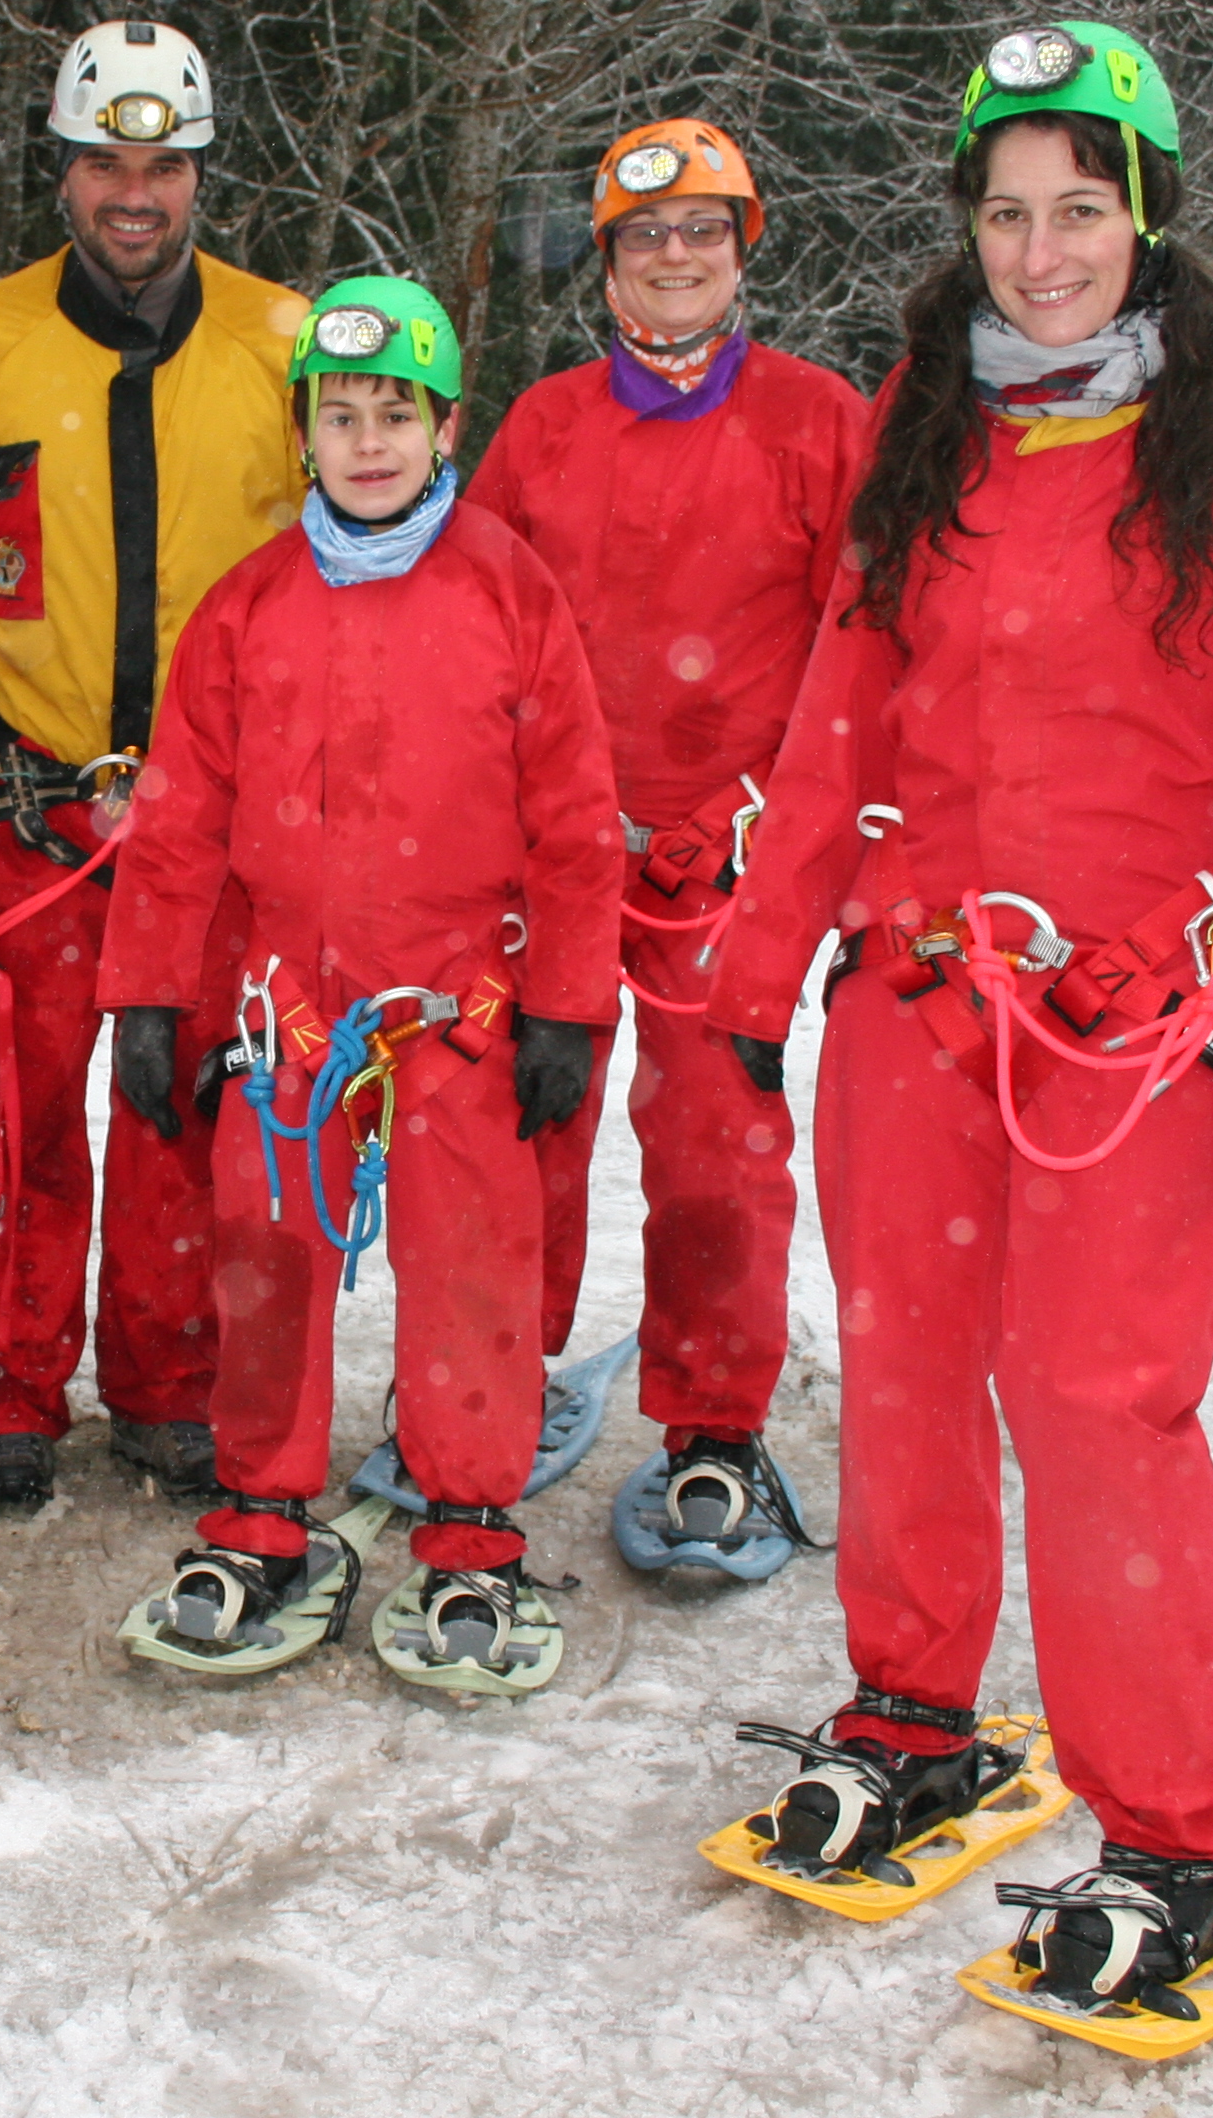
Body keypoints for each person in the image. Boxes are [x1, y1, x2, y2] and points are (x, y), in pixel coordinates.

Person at [702, 23, 1213, 2025]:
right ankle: (917, 1708)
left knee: (1094, 1401)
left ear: (1146, 211)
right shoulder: (935, 426)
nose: (1042, 249)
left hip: (1139, 1025)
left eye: (1081, 208)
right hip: (924, 994)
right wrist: (761, 964)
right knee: (908, 1358)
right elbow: (838, 714)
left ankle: (1185, 1830)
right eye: (1007, 213)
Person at [100, 276, 628, 1692]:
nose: (371, 441)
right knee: (263, 1256)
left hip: (464, 1002)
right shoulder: (250, 605)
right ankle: (263, 1512)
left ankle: (468, 1527)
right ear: (305, 432)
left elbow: (575, 813)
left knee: (470, 1267)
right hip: (292, 1008)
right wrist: (150, 996)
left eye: (398, 413)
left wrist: (575, 1002)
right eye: (344, 415)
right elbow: (182, 816)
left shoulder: (509, 588)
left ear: (448, 425)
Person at [0, 19, 308, 1509]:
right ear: (61, 173)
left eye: (162, 166)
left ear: (199, 175)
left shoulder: (283, 341)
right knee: (10, 1103)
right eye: (103, 164)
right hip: (32, 803)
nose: (133, 194)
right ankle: (13, 1386)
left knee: (184, 1100)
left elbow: (364, 561)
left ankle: (169, 1379)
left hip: (216, 817)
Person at [461, 117, 869, 1572]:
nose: (676, 258)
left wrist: (815, 842)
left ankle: (714, 1421)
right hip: (560, 852)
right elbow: (472, 625)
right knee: (523, 1125)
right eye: (646, 237)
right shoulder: (550, 428)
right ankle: (490, 1381)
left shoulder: (822, 424)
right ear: (607, 262)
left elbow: (863, 645)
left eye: (703, 231)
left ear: (744, 247)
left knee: (713, 1147)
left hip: (729, 855)